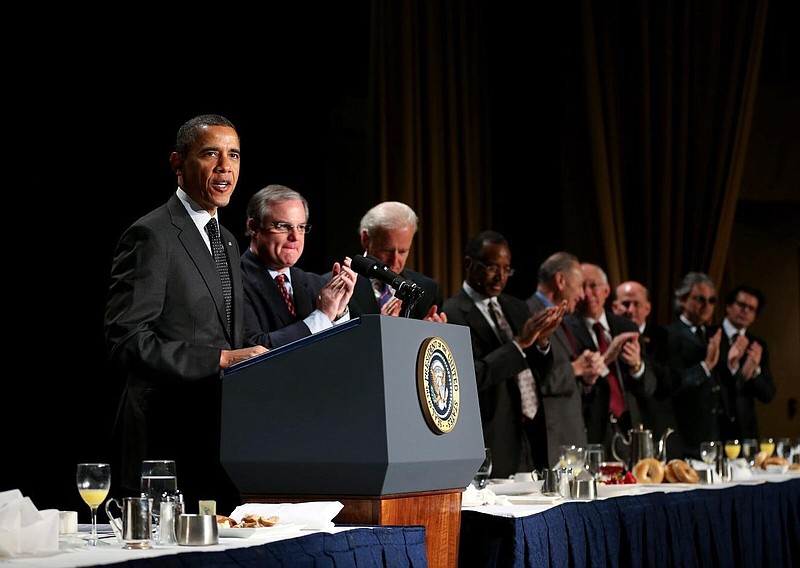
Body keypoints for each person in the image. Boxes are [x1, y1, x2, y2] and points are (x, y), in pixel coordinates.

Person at [105, 114, 267, 515]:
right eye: (210, 154)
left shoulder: (227, 241)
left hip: (220, 441)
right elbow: (127, 341)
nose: (225, 166)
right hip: (166, 443)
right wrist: (219, 359)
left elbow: (231, 336)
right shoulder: (152, 235)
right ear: (178, 163)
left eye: (233, 155)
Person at [442, 231, 564, 476]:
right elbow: (470, 377)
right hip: (493, 439)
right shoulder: (451, 314)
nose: (500, 277)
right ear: (469, 264)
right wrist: (519, 344)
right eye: (491, 267)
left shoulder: (517, 307)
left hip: (533, 436)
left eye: (506, 269)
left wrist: (541, 342)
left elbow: (539, 372)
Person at [241, 184, 356, 348]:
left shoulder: (316, 283)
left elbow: (343, 352)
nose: (295, 237)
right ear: (254, 227)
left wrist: (338, 312)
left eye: (301, 227)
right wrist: (322, 316)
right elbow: (255, 348)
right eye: (282, 226)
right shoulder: (232, 281)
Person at [564, 264, 656, 461]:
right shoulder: (567, 329)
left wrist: (636, 366)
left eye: (593, 286)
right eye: (582, 286)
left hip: (631, 427)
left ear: (606, 291)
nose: (589, 293)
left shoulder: (626, 327)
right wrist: (608, 357)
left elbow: (649, 385)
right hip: (594, 429)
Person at [526, 252, 601, 468]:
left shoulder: (562, 317)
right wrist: (574, 369)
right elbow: (531, 380)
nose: (583, 294)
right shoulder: (531, 314)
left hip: (570, 439)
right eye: (580, 286)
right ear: (560, 281)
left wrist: (586, 376)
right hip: (551, 443)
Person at [612, 281, 683, 459]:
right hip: (620, 436)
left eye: (637, 304)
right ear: (614, 307)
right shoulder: (606, 337)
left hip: (657, 431)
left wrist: (639, 366)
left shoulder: (666, 338)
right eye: (625, 304)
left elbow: (672, 381)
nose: (630, 310)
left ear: (648, 308)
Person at [343, 201, 446, 321]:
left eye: (402, 251)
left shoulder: (429, 289)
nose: (395, 261)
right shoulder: (336, 287)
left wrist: (428, 333)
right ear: (365, 239)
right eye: (387, 250)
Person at [666, 271, 723, 459]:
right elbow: (673, 383)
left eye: (712, 300)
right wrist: (705, 366)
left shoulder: (714, 335)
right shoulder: (670, 335)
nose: (707, 306)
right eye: (700, 299)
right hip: (686, 436)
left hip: (715, 437)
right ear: (682, 300)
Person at [715, 284, 776, 440]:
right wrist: (732, 368)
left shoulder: (757, 345)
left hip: (746, 432)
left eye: (751, 308)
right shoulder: (711, 336)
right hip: (715, 428)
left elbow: (768, 394)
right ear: (728, 306)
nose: (745, 311)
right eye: (741, 305)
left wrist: (754, 372)